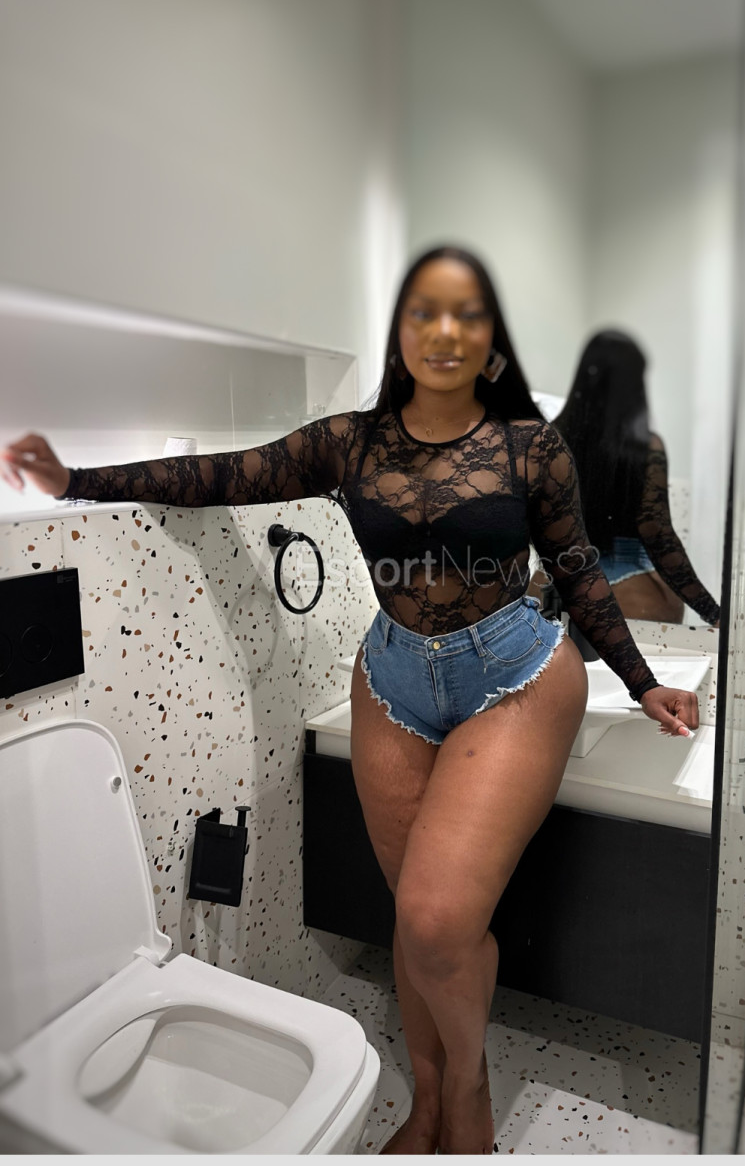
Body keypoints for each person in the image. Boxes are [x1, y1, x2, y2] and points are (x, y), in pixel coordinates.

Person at [1, 247, 700, 1156]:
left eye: (466, 313)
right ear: (400, 330)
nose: (444, 331)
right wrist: (76, 481)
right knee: (411, 911)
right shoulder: (348, 441)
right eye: (423, 311)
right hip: (392, 678)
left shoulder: (532, 447)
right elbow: (223, 476)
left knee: (438, 921)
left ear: (490, 337)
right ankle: (430, 1099)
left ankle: (469, 1091)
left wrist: (643, 683)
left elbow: (576, 570)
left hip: (515, 675)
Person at [552, 328, 721, 640]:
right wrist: (712, 612)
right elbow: (657, 534)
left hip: (556, 581)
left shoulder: (549, 440)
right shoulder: (643, 449)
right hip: (630, 585)